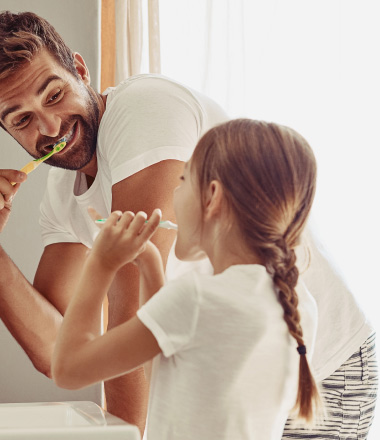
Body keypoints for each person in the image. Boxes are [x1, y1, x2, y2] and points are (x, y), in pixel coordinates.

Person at [0, 11, 377, 439]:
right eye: (22, 119)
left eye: (53, 95)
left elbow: (118, 321)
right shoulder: (63, 192)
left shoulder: (143, 110)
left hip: (321, 376)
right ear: (5, 128)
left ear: (81, 71)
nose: (50, 127)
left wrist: (107, 266)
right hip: (236, 389)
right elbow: (57, 349)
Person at [52, 118, 320, 440]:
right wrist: (150, 263)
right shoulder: (299, 303)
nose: (175, 194)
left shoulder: (196, 298)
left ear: (212, 196)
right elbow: (170, 374)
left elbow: (69, 369)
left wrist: (100, 263)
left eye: (183, 179)